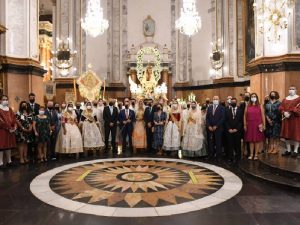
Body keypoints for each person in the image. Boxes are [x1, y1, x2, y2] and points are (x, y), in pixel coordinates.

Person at [244, 93, 265, 160]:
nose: (253, 97)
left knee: (257, 140)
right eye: (252, 96)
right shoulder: (247, 105)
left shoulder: (260, 105)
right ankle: (251, 154)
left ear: (257, 97)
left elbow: (263, 115)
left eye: (255, 96)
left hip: (258, 125)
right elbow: (244, 116)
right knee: (251, 140)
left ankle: (256, 154)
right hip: (250, 125)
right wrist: (244, 124)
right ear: (250, 98)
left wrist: (264, 124)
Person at [280, 86, 300, 157]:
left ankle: (295, 150)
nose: (291, 90)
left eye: (293, 89)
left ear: (296, 90)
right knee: (286, 135)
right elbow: (281, 107)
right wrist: (284, 112)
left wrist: (294, 110)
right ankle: (288, 150)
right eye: (290, 89)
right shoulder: (285, 99)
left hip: (295, 119)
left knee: (296, 135)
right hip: (287, 120)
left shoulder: (298, 99)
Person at [206, 96, 225, 160]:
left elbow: (222, 118)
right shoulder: (209, 107)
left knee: (218, 142)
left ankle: (218, 156)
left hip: (218, 128)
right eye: (214, 99)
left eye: (216, 99)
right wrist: (209, 126)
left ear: (219, 100)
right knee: (211, 143)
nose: (215, 100)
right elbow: (207, 118)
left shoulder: (222, 108)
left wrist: (216, 125)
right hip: (210, 128)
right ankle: (211, 155)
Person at [225, 98, 243, 165]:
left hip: (237, 131)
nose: (233, 103)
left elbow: (241, 121)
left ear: (236, 102)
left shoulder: (240, 110)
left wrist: (237, 129)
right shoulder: (227, 110)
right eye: (232, 102)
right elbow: (226, 121)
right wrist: (229, 129)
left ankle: (238, 158)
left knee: (237, 145)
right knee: (230, 145)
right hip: (229, 131)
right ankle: (230, 158)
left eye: (234, 102)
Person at [0, 95, 16, 168]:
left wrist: (14, 127)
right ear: (0, 100)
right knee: (1, 147)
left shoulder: (9, 109)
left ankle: (9, 161)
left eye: (6, 99)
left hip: (10, 131)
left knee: (8, 146)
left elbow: (13, 119)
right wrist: (8, 128)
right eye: (4, 99)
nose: (5, 101)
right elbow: (1, 121)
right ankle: (1, 162)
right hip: (2, 131)